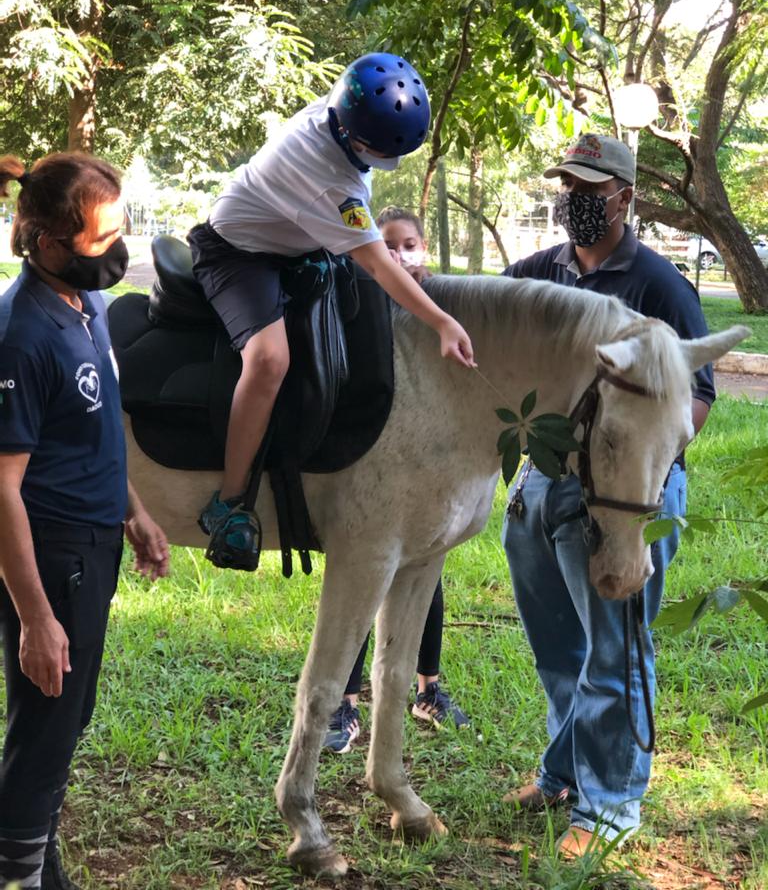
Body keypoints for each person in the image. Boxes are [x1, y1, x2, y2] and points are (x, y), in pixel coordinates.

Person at [500, 133, 715, 858]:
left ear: (626, 197)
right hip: (540, 489)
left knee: (616, 647)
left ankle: (613, 804)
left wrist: (637, 477)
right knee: (559, 646)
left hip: (619, 503)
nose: (576, 201)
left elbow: (697, 399)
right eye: (569, 186)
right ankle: (566, 774)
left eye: (591, 190)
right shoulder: (535, 273)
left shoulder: (658, 286)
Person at [187, 53, 475, 566]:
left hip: (294, 245)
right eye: (371, 149)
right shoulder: (321, 173)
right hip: (238, 254)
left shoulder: (344, 109)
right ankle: (229, 500)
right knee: (270, 358)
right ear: (349, 131)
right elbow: (380, 265)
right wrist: (442, 320)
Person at [0, 153, 170, 890]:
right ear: (44, 241)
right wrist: (35, 615)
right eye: (99, 241)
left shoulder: (86, 302)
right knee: (45, 725)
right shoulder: (21, 333)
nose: (115, 253)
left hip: (95, 542)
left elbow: (94, 430)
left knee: (66, 715)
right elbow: (1, 489)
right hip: (52, 552)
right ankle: (20, 872)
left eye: (118, 231)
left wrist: (135, 512)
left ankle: (39, 862)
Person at [323, 208, 469, 754]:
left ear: (425, 246)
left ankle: (428, 690)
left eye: (410, 244)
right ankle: (345, 701)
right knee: (365, 581)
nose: (402, 254)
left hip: (429, 465)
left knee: (427, 580)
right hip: (374, 463)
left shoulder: (439, 305)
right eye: (389, 245)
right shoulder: (361, 300)